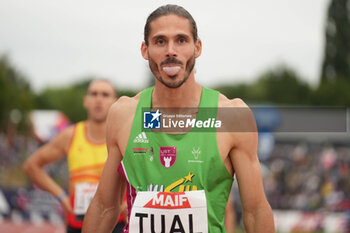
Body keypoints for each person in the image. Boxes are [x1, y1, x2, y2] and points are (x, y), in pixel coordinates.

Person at [82, 5, 274, 233]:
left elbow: (255, 211)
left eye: (181, 40)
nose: (170, 51)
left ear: (197, 47)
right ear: (145, 50)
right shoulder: (124, 114)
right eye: (160, 41)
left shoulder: (232, 116)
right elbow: (105, 207)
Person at [23, 80, 122, 233]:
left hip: (116, 223)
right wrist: (62, 198)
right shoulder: (70, 135)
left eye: (105, 95)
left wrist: (129, 203)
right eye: (94, 94)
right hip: (77, 223)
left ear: (115, 102)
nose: (99, 99)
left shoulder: (123, 136)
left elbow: (149, 171)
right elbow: (31, 166)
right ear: (86, 101)